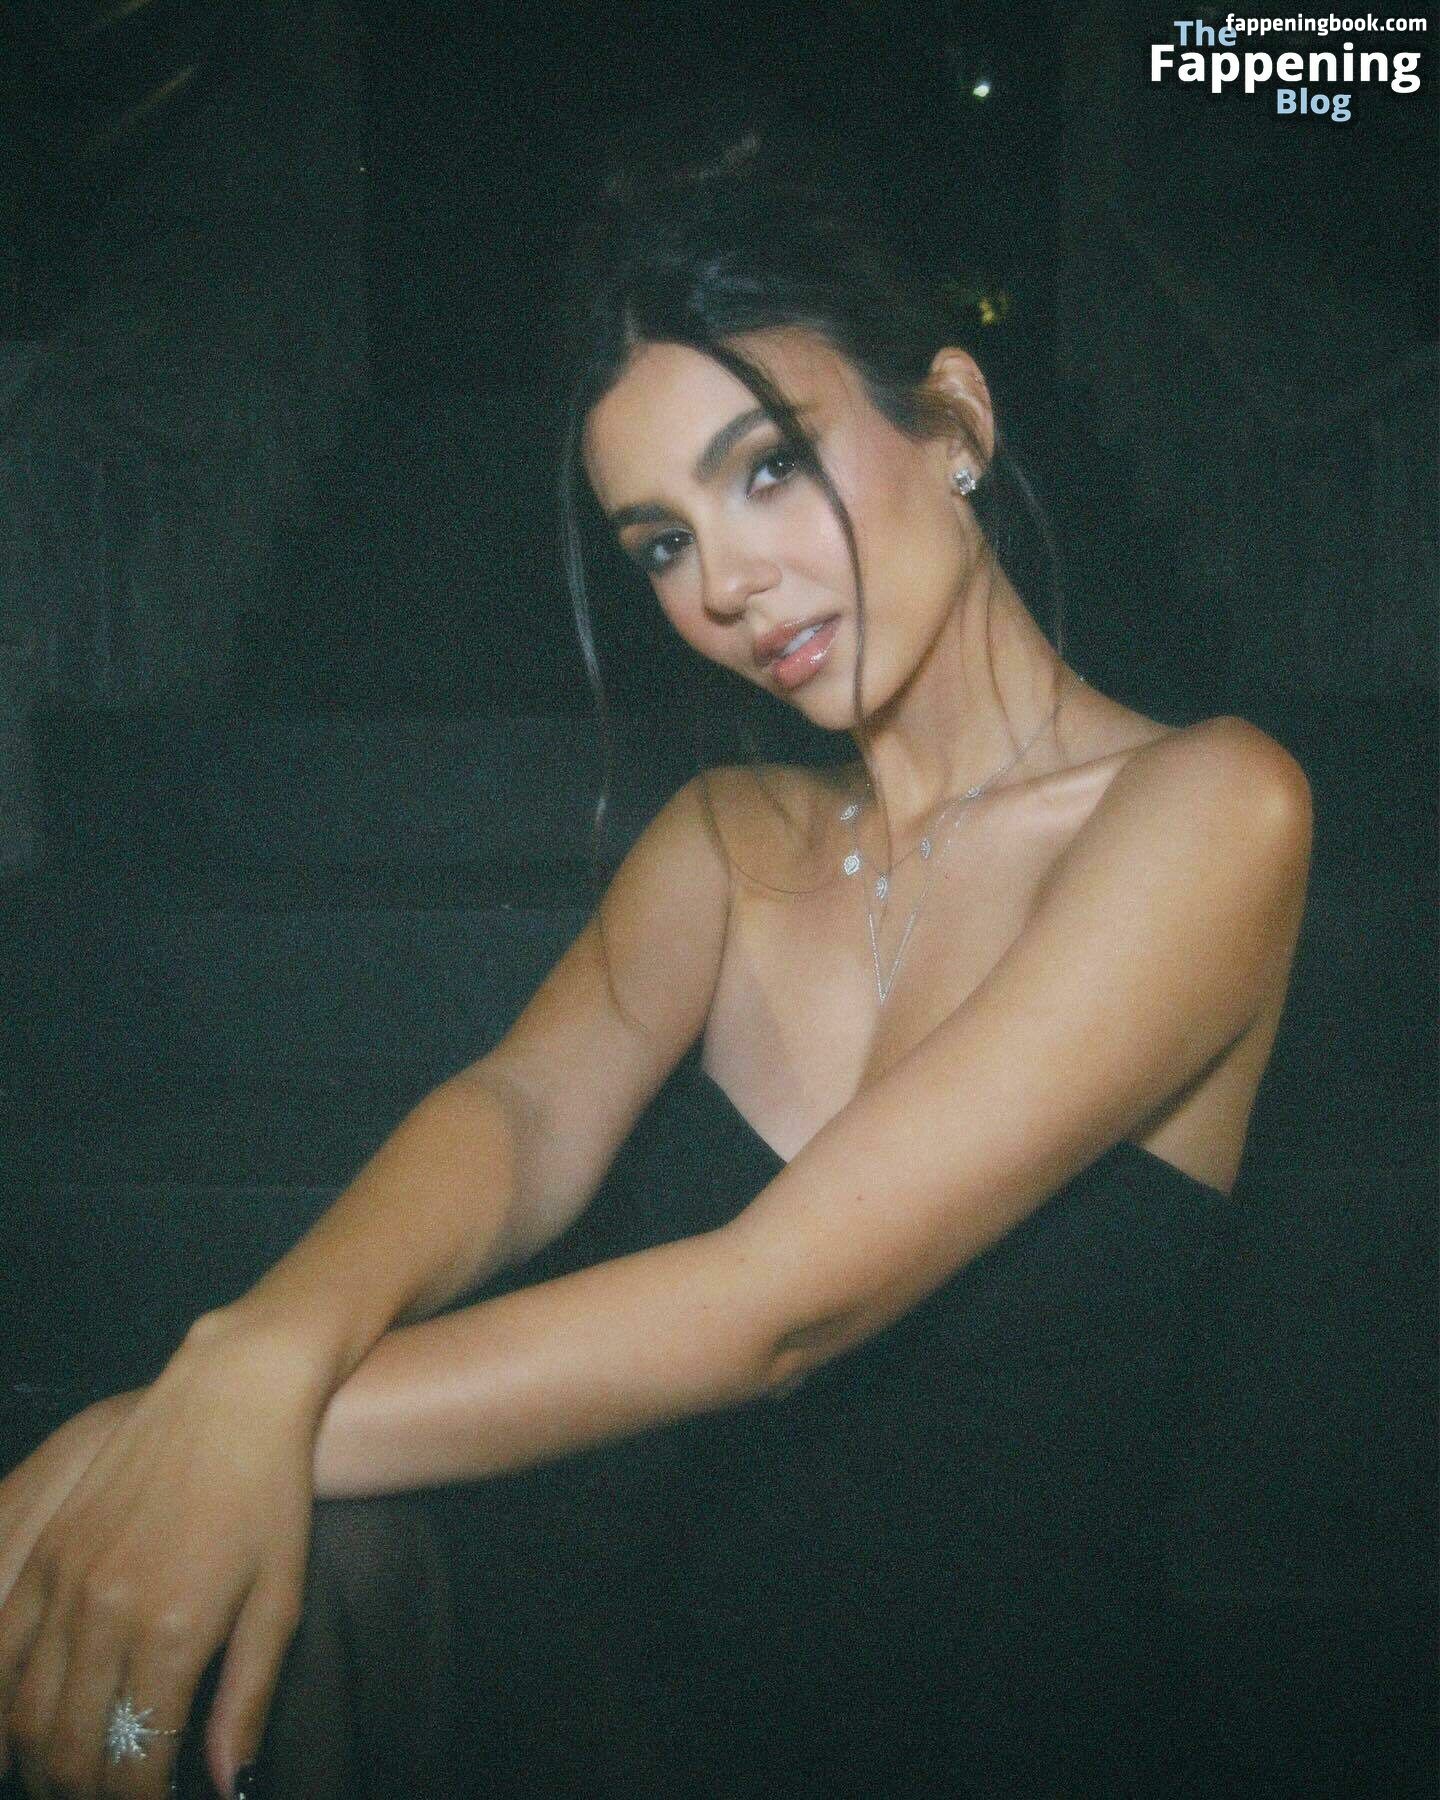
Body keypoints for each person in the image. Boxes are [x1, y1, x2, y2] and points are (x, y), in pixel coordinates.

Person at [0, 136, 1312, 1800]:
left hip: (1011, 1737)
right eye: (661, 544)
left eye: (766, 468)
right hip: (656, 1703)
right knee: (231, 1642)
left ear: (955, 425)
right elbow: (519, 1113)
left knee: (224, 1520)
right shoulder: (726, 837)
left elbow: (778, 1307)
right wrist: (247, 1351)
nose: (728, 584)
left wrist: (193, 1437)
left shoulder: (1213, 807)